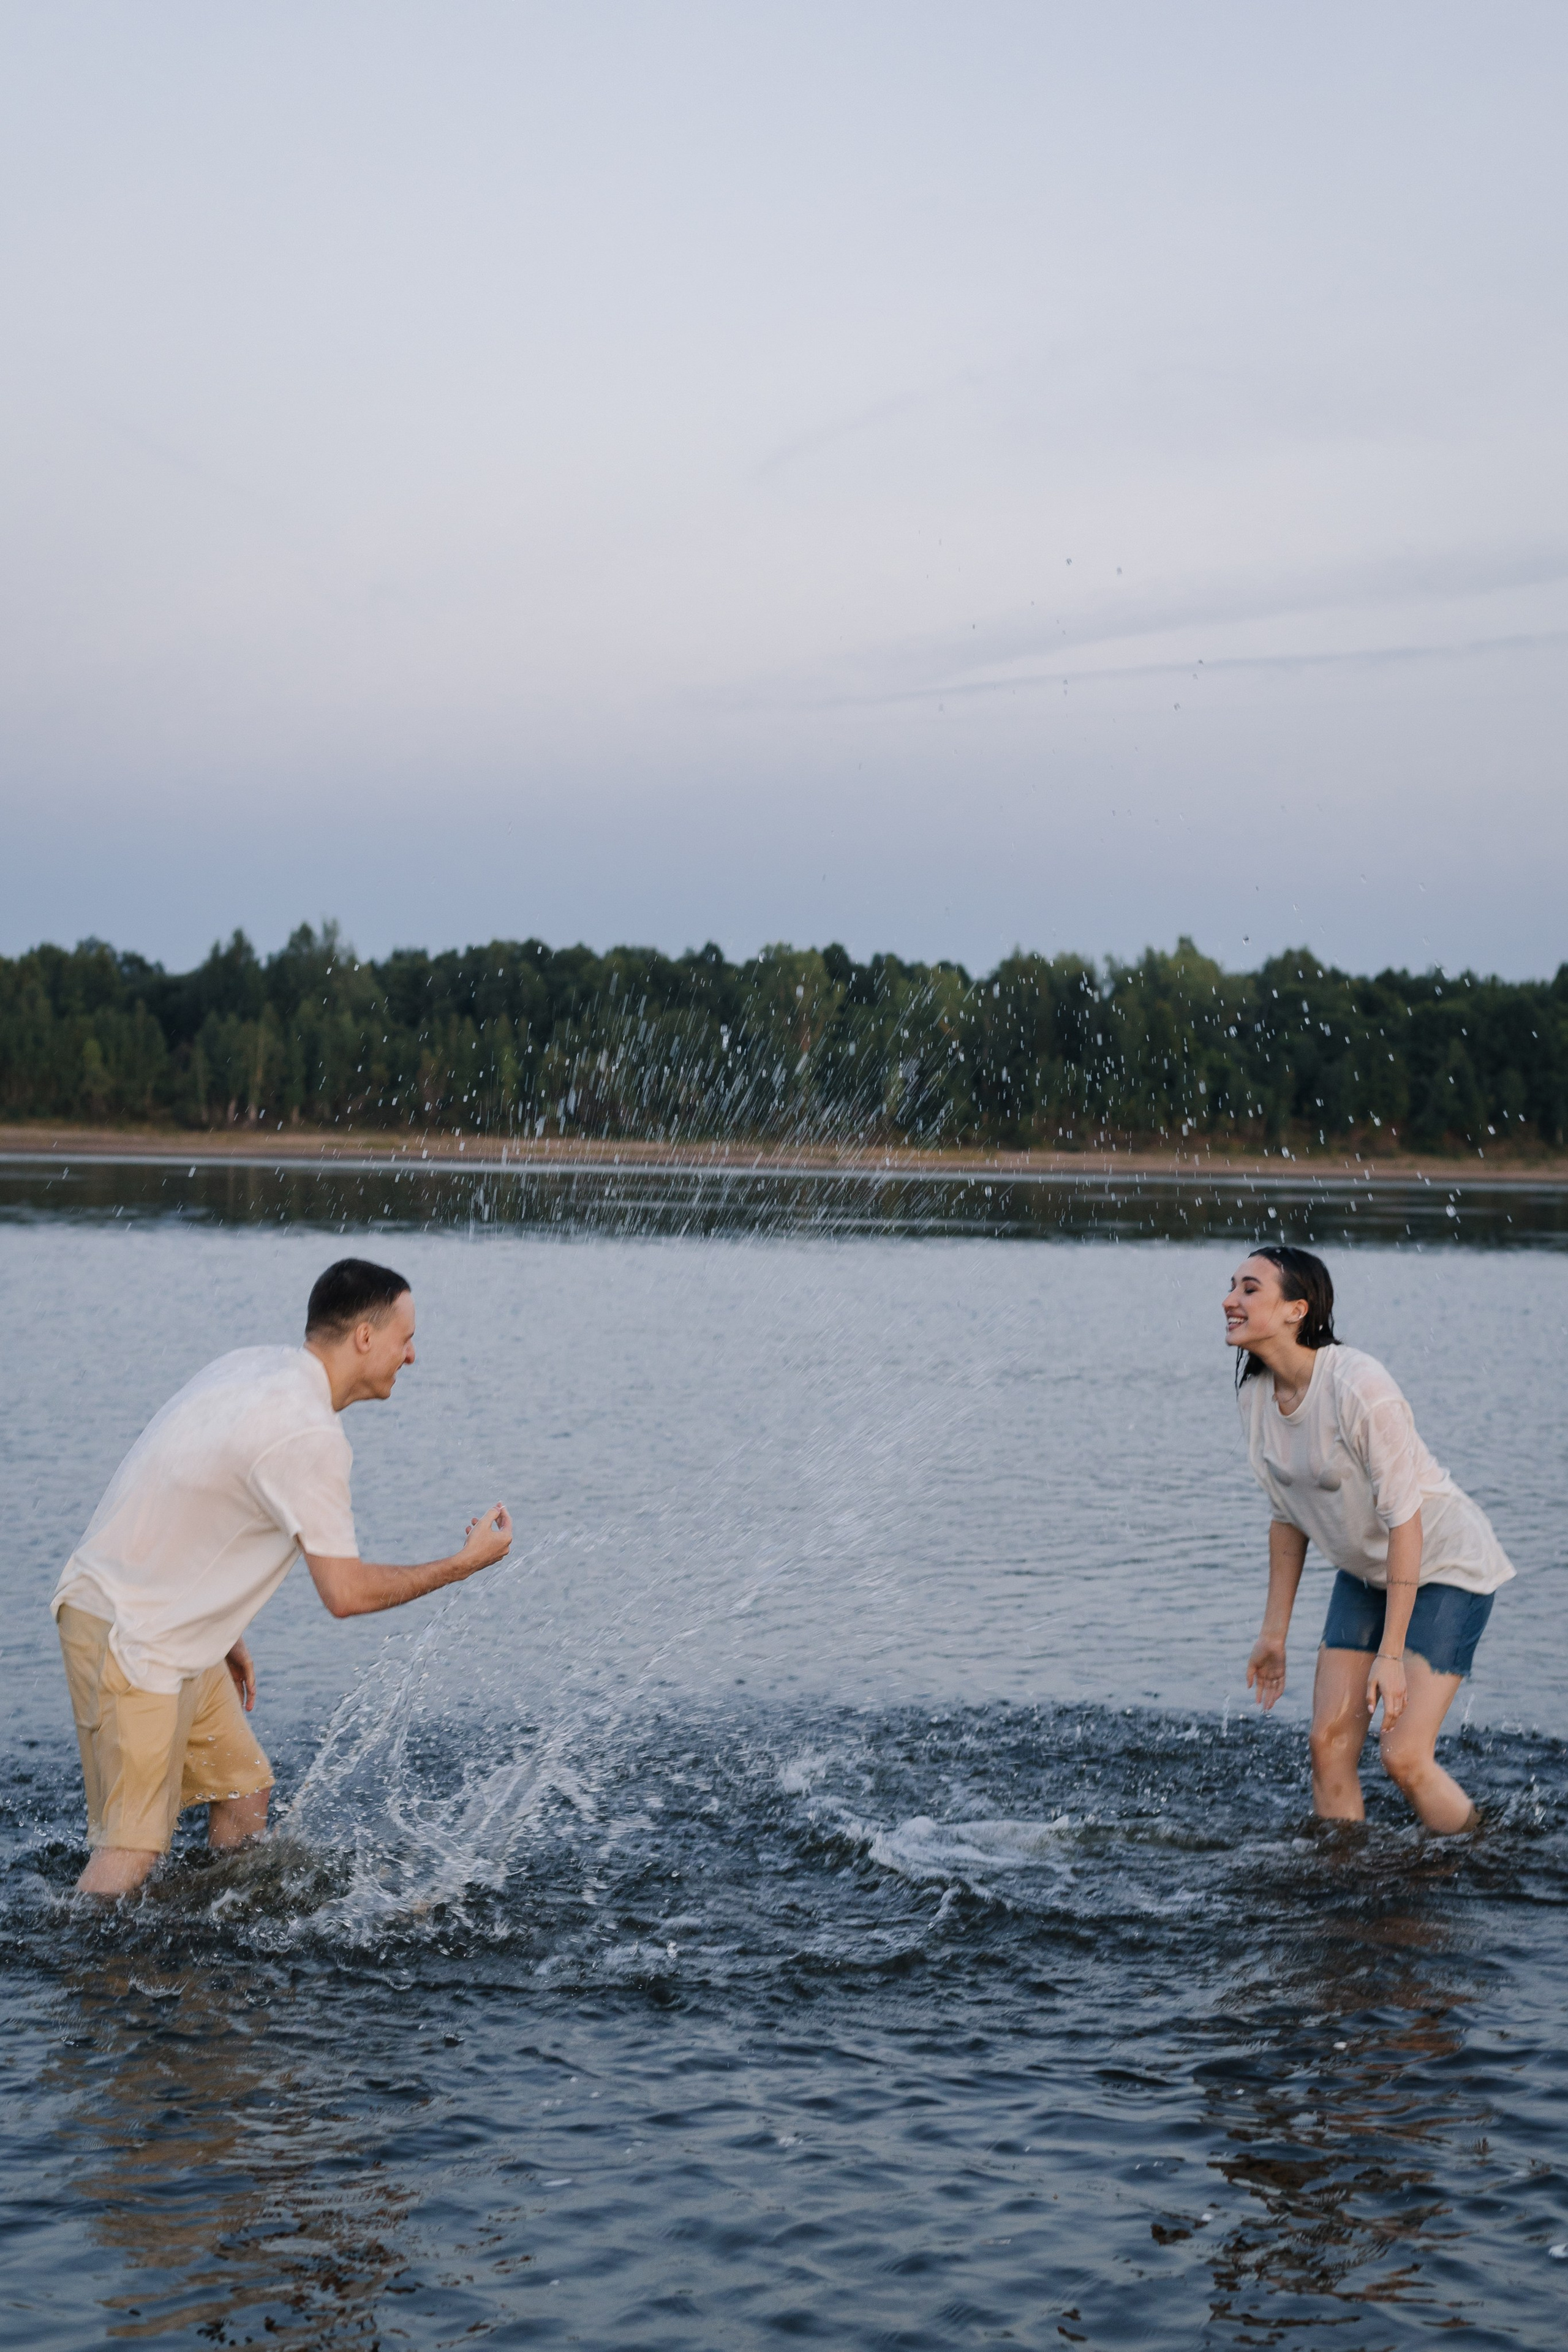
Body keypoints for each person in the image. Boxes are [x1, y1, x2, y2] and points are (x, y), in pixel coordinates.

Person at [52, 1257, 512, 1898]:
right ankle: (83, 1977)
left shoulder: (253, 1366)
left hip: (155, 1615)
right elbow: (345, 1595)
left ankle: (211, 1933)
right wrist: (462, 1566)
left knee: (243, 1790)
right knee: (131, 1853)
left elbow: (187, 1483)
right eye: (406, 1339)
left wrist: (221, 1621)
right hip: (133, 1635)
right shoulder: (310, 1435)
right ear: (364, 1337)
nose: (411, 1357)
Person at [1225, 1242, 1512, 1831]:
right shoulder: (1256, 1396)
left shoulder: (1358, 1385)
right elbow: (1287, 1515)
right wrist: (1273, 1634)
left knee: (1403, 1756)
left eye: (1250, 1289)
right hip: (1367, 1574)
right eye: (1233, 1287)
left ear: (1295, 1310)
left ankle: (1483, 1857)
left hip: (1444, 1564)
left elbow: (1406, 1522)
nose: (1230, 1300)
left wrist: (1391, 1655)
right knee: (1328, 1744)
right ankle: (1344, 1880)